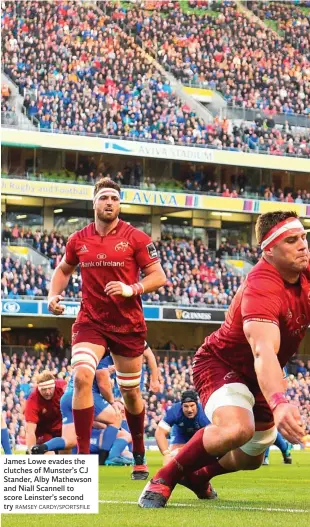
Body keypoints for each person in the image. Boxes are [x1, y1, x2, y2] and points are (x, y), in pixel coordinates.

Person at [139, 211, 309, 507]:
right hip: (222, 364)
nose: (303, 246)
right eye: (292, 240)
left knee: (253, 455)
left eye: (304, 237)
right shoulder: (261, 285)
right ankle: (166, 474)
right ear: (268, 249)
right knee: (237, 429)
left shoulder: (304, 271)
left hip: (260, 375)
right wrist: (280, 401)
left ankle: (198, 475)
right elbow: (263, 350)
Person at [47, 177, 166, 480]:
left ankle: (139, 454)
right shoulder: (78, 239)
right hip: (91, 321)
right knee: (82, 374)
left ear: (120, 204)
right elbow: (63, 270)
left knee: (131, 395)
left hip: (128, 326)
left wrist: (131, 289)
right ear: (94, 203)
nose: (109, 202)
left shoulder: (136, 237)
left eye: (114, 197)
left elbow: (158, 276)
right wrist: (53, 294)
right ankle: (83, 459)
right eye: (104, 197)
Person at [31, 354, 122, 464]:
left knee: (69, 441)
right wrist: (112, 402)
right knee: (116, 418)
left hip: (67, 398)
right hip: (85, 395)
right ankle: (101, 461)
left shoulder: (87, 356)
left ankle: (42, 448)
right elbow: (103, 384)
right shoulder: (103, 357)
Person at [155, 390, 216, 499]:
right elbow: (159, 433)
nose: (189, 409)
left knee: (199, 464)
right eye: (186, 406)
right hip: (180, 435)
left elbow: (213, 439)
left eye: (192, 405)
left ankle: (204, 486)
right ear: (181, 405)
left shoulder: (205, 415)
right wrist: (166, 454)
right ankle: (167, 486)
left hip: (201, 435)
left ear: (197, 404)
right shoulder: (174, 411)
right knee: (172, 461)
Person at [25, 371, 66, 452]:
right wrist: (31, 451)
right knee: (48, 455)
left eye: (50, 388)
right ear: (39, 388)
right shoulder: (33, 401)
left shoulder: (63, 387)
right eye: (43, 389)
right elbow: (30, 431)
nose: (47, 392)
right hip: (45, 432)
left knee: (68, 449)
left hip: (63, 428)